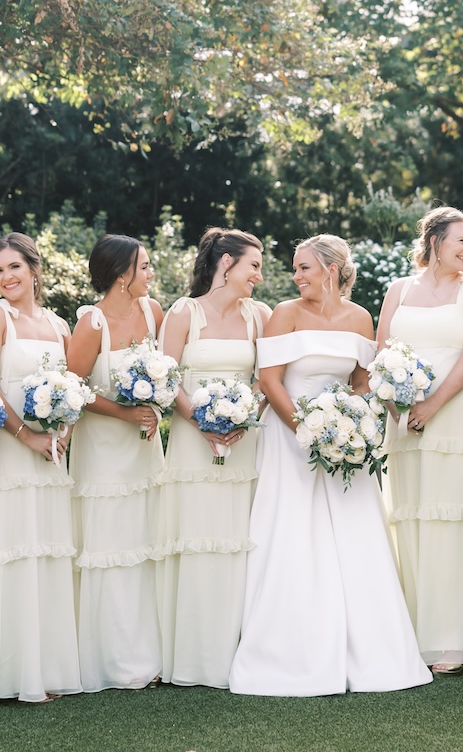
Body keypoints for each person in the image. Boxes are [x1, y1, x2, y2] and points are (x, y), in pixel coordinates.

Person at [229, 234, 432, 696]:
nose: (295, 276)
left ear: (332, 270)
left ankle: (370, 650)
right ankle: (288, 651)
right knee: (292, 532)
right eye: (295, 268)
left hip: (345, 443)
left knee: (355, 534)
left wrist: (350, 422)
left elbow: (360, 382)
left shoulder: (359, 317)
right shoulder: (285, 314)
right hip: (290, 439)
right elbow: (270, 382)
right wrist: (306, 429)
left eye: (304, 267)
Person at [376, 207, 463, 675]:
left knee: (451, 516)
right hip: (404, 418)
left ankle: (453, 636)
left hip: (455, 415)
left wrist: (432, 406)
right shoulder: (398, 289)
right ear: (434, 241)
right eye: (461, 240)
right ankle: (414, 629)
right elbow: (382, 350)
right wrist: (397, 406)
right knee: (413, 515)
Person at [155, 228, 270, 688]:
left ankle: (239, 650)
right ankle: (195, 655)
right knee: (198, 535)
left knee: (240, 537)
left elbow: (265, 379)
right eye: (253, 266)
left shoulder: (260, 316)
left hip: (243, 443)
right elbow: (166, 378)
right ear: (226, 263)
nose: (259, 276)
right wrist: (201, 423)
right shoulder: (184, 312)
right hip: (192, 442)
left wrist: (245, 416)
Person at [67, 234, 164, 692]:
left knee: (146, 539)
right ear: (123, 274)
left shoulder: (154, 312)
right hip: (104, 451)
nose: (150, 273)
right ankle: (113, 658)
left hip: (144, 448)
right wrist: (125, 413)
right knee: (111, 542)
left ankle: (153, 652)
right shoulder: (92, 323)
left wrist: (155, 407)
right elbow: (74, 389)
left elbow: (167, 374)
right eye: (143, 266)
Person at [0, 232, 81, 703]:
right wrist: (24, 435)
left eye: (14, 266)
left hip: (51, 456)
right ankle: (13, 674)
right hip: (11, 454)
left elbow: (72, 384)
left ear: (34, 270)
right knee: (14, 549)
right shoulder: (1, 318)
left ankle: (44, 669)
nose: (6, 277)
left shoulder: (58, 324)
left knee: (45, 551)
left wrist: (63, 428)